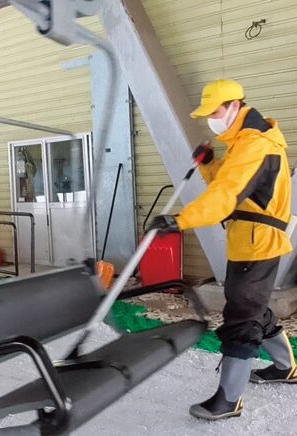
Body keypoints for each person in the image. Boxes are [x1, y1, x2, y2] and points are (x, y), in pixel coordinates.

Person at [149, 79, 296, 420]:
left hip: (257, 244)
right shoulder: (246, 142)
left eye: (214, 112)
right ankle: (285, 368)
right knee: (252, 308)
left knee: (242, 317)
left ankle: (228, 401)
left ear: (234, 106)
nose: (211, 119)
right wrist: (209, 162)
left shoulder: (255, 145)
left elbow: (226, 196)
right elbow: (231, 181)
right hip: (249, 240)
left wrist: (181, 220)